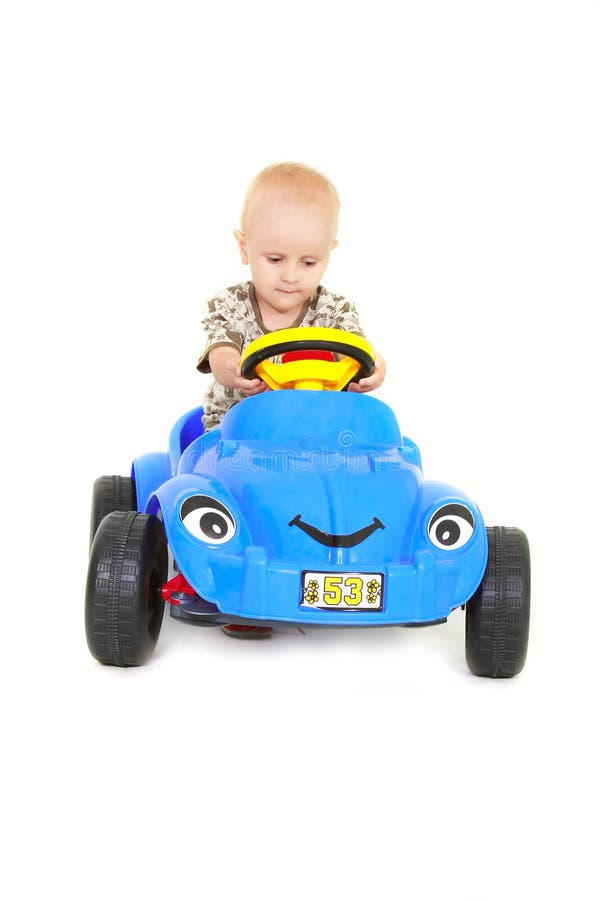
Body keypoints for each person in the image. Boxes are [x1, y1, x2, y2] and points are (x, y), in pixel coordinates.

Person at [197, 162, 386, 638]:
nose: (290, 276)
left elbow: (363, 353)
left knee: (372, 476)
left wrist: (375, 371)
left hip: (324, 442)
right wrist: (231, 367)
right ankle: (239, 580)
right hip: (238, 441)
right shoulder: (230, 305)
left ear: (329, 254)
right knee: (247, 495)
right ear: (244, 248)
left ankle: (364, 566)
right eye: (274, 259)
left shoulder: (335, 310)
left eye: (309, 262)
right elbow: (220, 349)